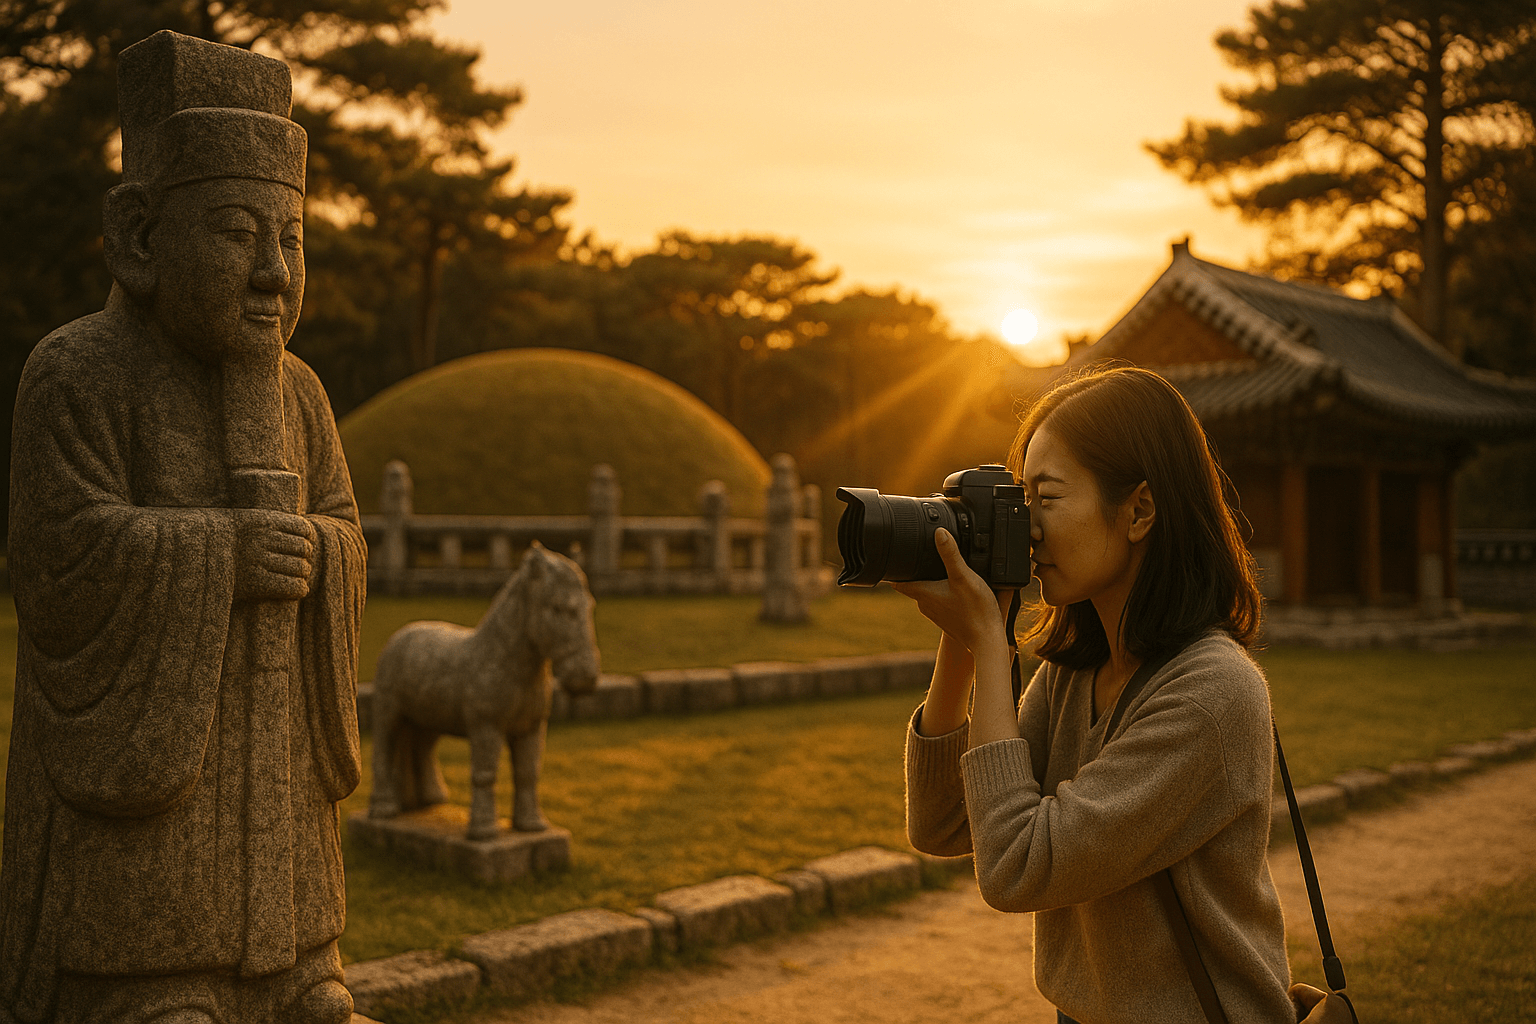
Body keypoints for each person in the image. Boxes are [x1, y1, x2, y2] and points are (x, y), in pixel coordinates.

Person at [0, 31, 364, 1024]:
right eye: (239, 231)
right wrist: (223, 552)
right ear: (140, 237)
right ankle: (151, 984)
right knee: (160, 997)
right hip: (146, 793)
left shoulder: (301, 393)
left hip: (279, 758)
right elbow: (59, 555)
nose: (272, 272)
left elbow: (341, 524)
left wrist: (324, 556)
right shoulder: (78, 372)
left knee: (314, 997)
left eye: (291, 239)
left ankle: (301, 973)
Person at [898, 365, 1295, 1023]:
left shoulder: (1211, 694)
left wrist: (993, 647)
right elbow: (944, 823)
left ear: (1139, 509)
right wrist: (964, 643)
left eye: (1045, 498)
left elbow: (1019, 867)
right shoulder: (1073, 675)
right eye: (1019, 500)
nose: (1027, 527)